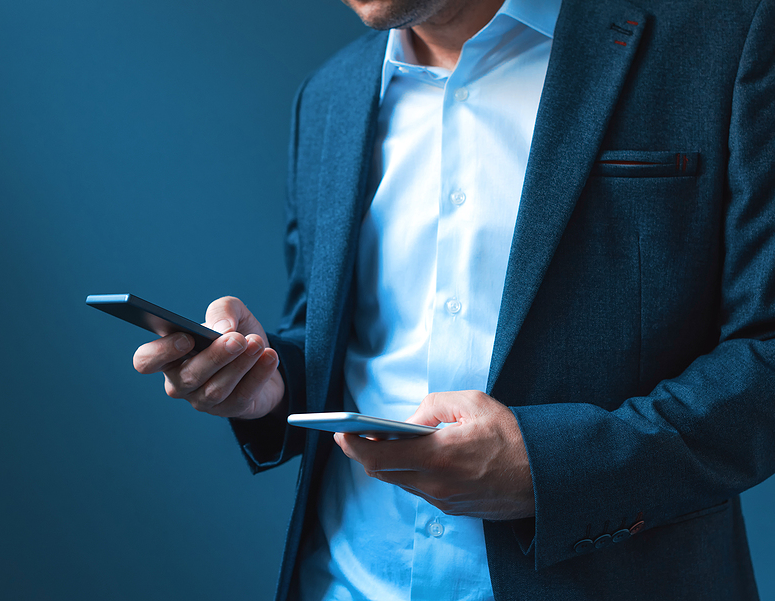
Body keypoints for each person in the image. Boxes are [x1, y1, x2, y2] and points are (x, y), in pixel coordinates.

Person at [132, 0, 775, 598]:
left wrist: (546, 469)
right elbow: (336, 340)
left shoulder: (727, 38)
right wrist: (269, 384)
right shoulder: (329, 96)